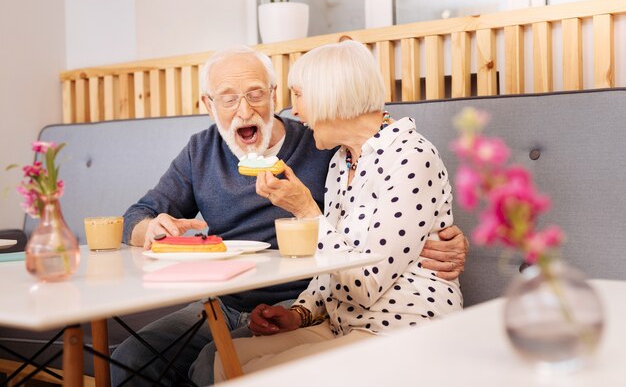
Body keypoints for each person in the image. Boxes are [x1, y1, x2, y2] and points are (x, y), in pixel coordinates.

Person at [111, 45, 468, 387]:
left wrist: (451, 237)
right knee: (141, 358)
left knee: (223, 365)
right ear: (208, 104)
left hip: (352, 309)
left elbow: (382, 245)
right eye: (228, 98)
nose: (244, 110)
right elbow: (137, 215)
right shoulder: (337, 158)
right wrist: (150, 229)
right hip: (237, 301)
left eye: (256, 94)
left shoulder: (325, 146)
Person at [213, 40, 463, 381]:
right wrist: (300, 313)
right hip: (343, 323)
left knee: (257, 375)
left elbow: (365, 283)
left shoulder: (410, 156)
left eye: (298, 95)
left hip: (403, 328)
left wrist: (305, 210)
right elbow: (332, 264)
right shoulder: (341, 162)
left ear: (330, 94)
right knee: (228, 359)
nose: (295, 111)